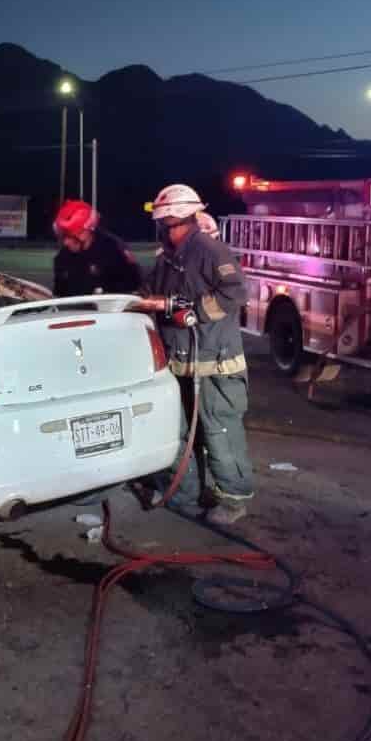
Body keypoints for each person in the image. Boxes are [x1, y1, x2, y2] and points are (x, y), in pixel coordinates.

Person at [134, 184, 254, 525]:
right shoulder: (168, 258)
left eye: (165, 223)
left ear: (179, 220)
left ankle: (233, 498)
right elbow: (150, 293)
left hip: (216, 363)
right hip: (180, 363)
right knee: (178, 430)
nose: (162, 229)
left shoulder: (208, 250)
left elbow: (236, 293)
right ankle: (183, 492)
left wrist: (192, 311)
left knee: (219, 430)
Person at [52, 200, 142, 297]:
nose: (66, 243)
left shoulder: (114, 250)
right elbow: (59, 294)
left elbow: (133, 290)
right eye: (63, 237)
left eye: (70, 236)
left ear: (87, 232)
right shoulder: (62, 258)